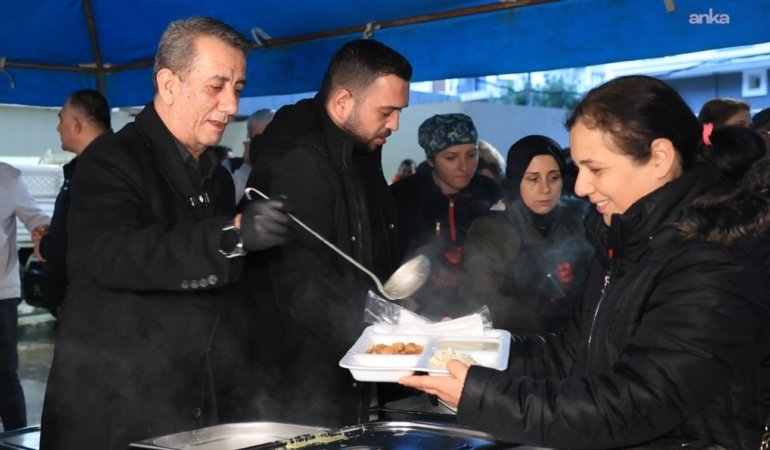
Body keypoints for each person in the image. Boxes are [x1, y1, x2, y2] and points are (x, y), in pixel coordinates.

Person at [399, 75, 770, 449]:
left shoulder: (716, 260)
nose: (580, 187)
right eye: (578, 169)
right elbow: (572, 355)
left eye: (597, 169)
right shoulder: (628, 238)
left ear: (659, 157)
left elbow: (630, 405)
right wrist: (476, 349)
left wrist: (480, 395)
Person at [40, 17, 293, 450]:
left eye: (238, 87)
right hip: (112, 407)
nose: (232, 104)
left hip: (189, 402)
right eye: (216, 86)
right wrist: (232, 235)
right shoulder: (109, 160)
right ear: (169, 84)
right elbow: (117, 253)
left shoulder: (216, 176)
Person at [243, 38, 411, 427]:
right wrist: (386, 343)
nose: (395, 125)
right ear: (342, 103)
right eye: (386, 112)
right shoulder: (299, 164)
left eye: (399, 112)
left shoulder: (359, 151)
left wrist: (409, 319)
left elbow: (370, 259)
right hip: (298, 382)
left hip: (347, 368)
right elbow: (301, 287)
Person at [458, 135, 593, 334]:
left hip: (574, 339)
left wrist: (573, 284)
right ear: (516, 181)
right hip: (513, 343)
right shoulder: (491, 230)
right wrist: (542, 308)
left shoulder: (578, 222)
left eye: (554, 177)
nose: (545, 189)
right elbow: (477, 304)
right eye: (533, 179)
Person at [390, 113, 500, 319]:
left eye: (471, 154)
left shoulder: (490, 192)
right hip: (418, 312)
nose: (464, 166)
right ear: (431, 160)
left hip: (478, 308)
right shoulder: (403, 197)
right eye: (451, 158)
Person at [36, 89, 111, 316]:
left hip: (88, 302)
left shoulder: (99, 168)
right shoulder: (98, 162)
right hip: (87, 298)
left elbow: (81, 237)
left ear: (76, 125)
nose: (58, 128)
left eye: (61, 119)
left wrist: (46, 246)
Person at [0, 163, 49, 431]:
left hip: (1, 293)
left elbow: (35, 218)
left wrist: (44, 230)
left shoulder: (7, 177)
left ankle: (15, 437)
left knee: (4, 375)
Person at [224, 108, 275, 204]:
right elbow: (229, 204)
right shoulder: (230, 166)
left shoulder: (286, 167)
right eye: (256, 139)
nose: (261, 145)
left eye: (266, 139)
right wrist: (246, 165)